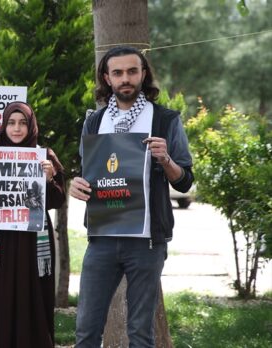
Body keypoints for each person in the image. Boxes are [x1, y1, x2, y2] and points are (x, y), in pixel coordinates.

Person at [69, 46, 194, 347]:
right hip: (102, 239)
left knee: (140, 333)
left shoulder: (165, 120)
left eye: (132, 71)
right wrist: (78, 187)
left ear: (143, 74)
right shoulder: (95, 122)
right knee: (86, 330)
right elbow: (90, 176)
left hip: (147, 242)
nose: (126, 78)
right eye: (118, 73)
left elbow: (185, 181)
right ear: (106, 78)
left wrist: (166, 161)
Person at [0, 102, 65, 348]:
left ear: (31, 125)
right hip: (1, 240)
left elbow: (58, 200)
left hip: (33, 241)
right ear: (4, 126)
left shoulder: (45, 156)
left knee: (30, 294)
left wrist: (50, 178)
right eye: (11, 122)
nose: (17, 128)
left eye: (23, 123)